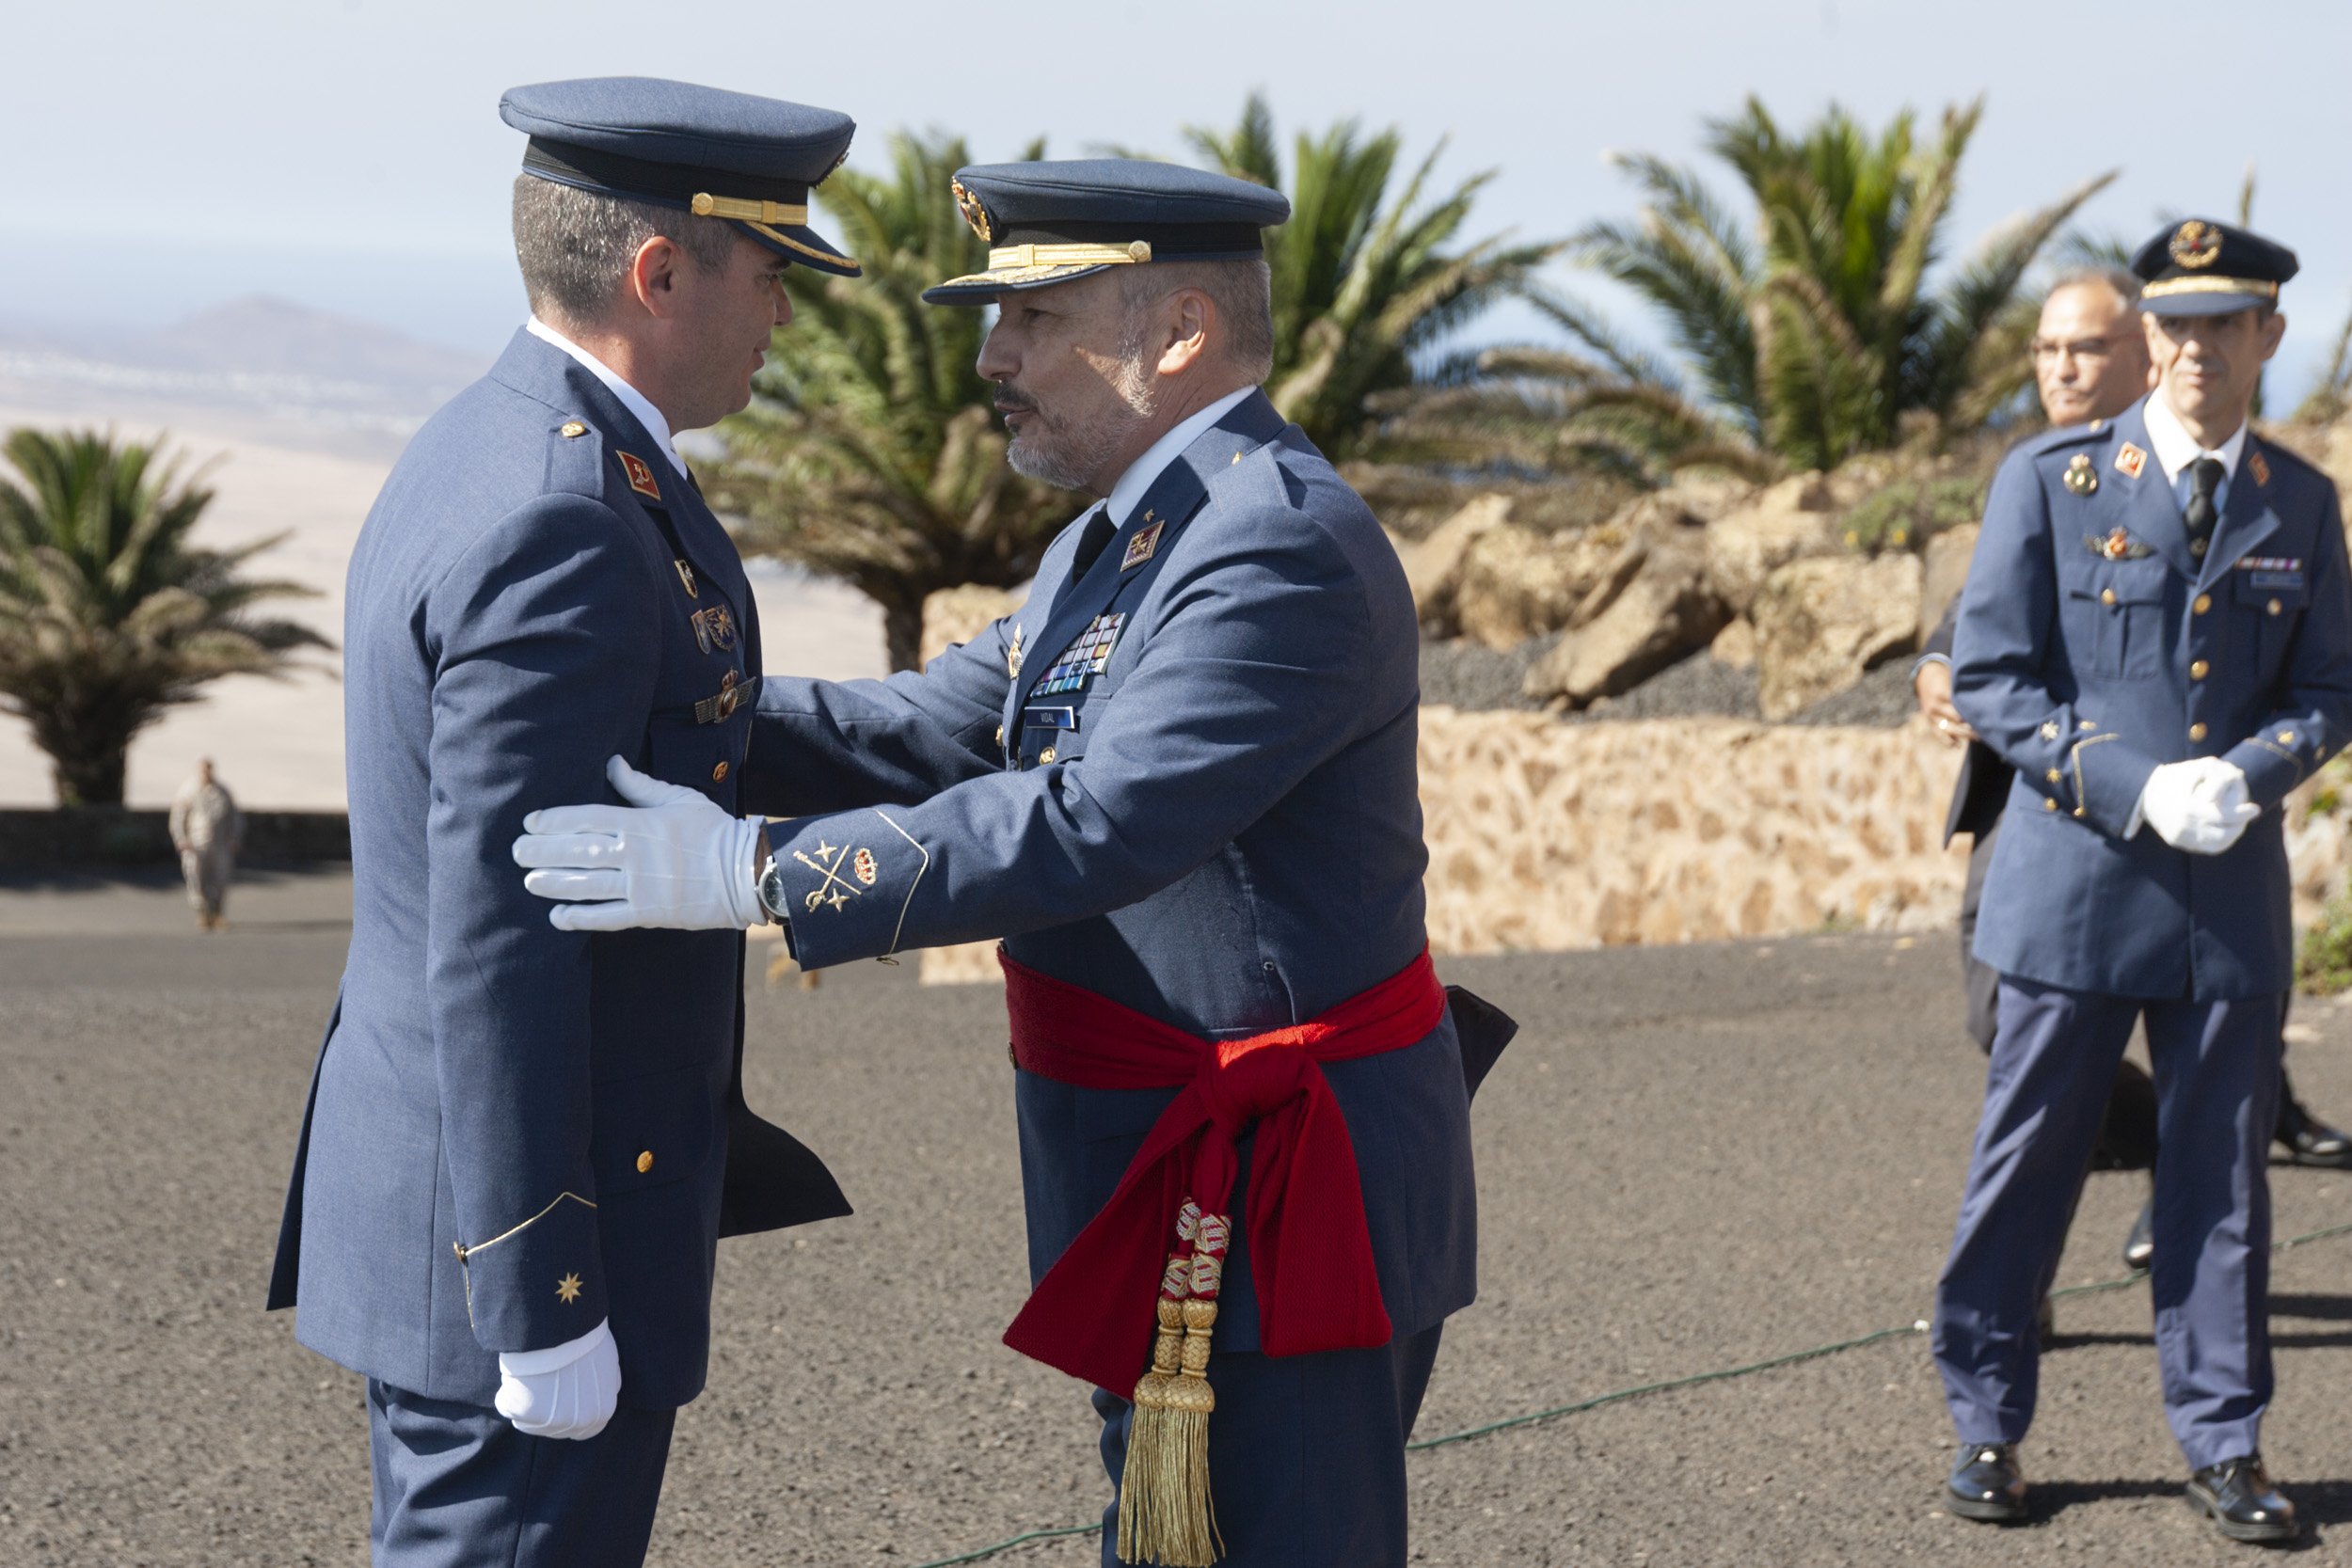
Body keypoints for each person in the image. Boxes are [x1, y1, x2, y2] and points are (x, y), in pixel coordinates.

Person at [512, 159, 1506, 1568]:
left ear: (1176, 333)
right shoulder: (1127, 537)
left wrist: (750, 872)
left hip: (1280, 1191)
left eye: (1036, 320)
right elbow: (928, 729)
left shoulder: (1270, 543)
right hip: (1169, 1167)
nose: (994, 359)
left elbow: (1096, 821)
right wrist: (673, 697)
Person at [263, 78, 856, 1568]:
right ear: (663, 274)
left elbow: (668, 737)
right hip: (522, 1241)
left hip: (454, 1205)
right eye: (775, 273)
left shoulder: (498, 437)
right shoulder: (566, 511)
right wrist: (544, 1295)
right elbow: (500, 934)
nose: (785, 315)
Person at [1933, 219, 2352, 1543]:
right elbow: (1994, 676)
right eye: (2175, 325)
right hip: (2072, 882)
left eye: (2224, 325)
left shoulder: (2301, 500)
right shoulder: (2049, 482)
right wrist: (2130, 781)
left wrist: (2261, 765)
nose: (2194, 350)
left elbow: (2331, 687)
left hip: (2223, 900)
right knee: (2029, 1163)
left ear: (2267, 337)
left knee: (2222, 1175)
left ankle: (2224, 1437)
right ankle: (1987, 1420)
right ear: (2148, 337)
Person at [167, 757, 242, 930]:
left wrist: (234, 838)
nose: (206, 773)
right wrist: (180, 838)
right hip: (196, 843)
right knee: (196, 878)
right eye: (203, 770)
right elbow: (178, 816)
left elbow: (235, 817)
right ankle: (202, 913)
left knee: (220, 878)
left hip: (219, 842)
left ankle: (217, 913)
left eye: (209, 770)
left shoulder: (222, 791)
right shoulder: (188, 790)